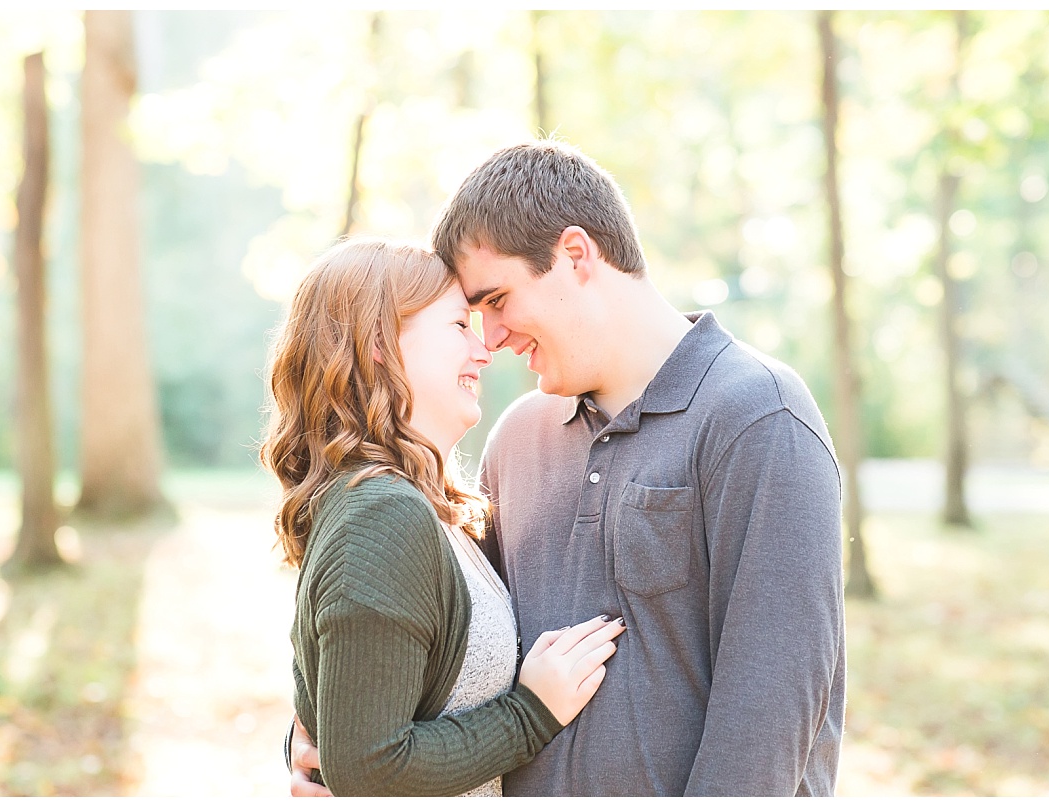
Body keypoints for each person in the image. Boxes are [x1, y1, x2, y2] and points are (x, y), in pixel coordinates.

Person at [290, 141, 846, 796]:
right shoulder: (517, 439)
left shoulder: (758, 419)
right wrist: (320, 743)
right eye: (472, 314)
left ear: (575, 255)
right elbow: (420, 647)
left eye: (496, 300)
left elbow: (769, 718)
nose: (489, 339)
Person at [261, 236, 627, 797]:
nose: (483, 352)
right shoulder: (381, 517)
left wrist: (317, 745)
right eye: (460, 327)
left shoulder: (414, 507)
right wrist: (531, 713)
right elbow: (370, 768)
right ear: (378, 343)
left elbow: (357, 714)